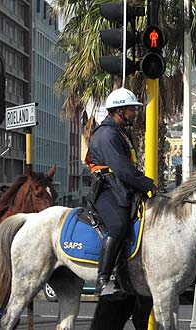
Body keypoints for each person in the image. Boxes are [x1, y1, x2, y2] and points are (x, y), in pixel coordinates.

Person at [86, 87, 157, 297]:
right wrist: (147, 184)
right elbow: (121, 168)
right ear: (119, 111)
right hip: (107, 190)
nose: (135, 113)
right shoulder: (107, 134)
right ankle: (103, 279)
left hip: (121, 188)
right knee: (118, 226)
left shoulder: (120, 132)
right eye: (131, 109)